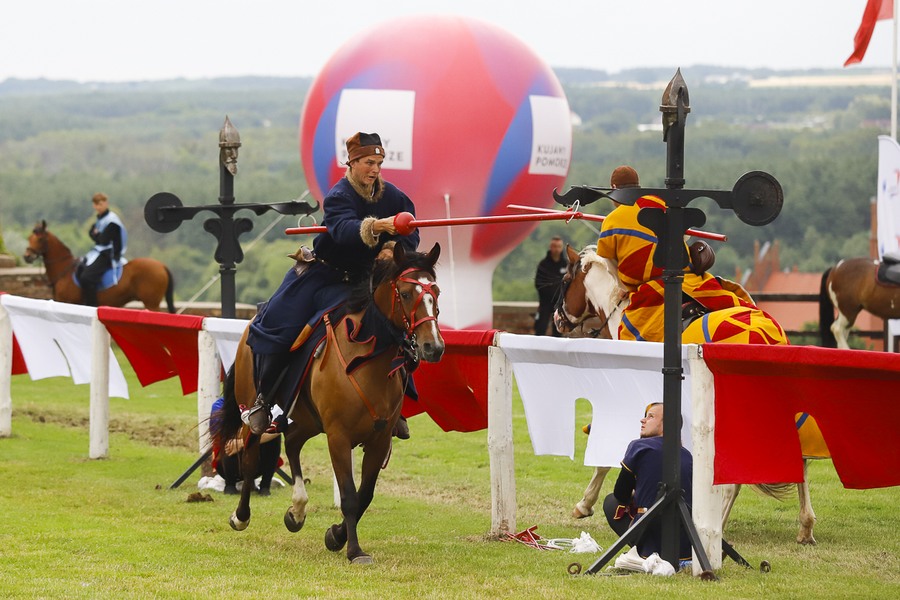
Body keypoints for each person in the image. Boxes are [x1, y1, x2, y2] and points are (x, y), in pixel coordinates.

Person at [244, 132, 420, 436]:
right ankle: (265, 400)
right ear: (352, 162)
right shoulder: (339, 195)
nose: (375, 169)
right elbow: (342, 230)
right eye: (368, 162)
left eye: (378, 163)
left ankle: (396, 405)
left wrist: (393, 249)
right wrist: (378, 226)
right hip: (324, 276)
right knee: (281, 324)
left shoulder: (394, 196)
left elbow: (411, 231)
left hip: (366, 280)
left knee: (395, 325)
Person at [595, 165, 755, 342]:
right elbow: (684, 236)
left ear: (614, 188)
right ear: (637, 185)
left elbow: (610, 266)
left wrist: (624, 289)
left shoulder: (611, 220)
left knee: (632, 334)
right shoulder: (660, 202)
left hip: (652, 290)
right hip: (690, 280)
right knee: (732, 300)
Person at [602, 402, 693, 563]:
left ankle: (641, 551)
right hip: (685, 542)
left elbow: (621, 493)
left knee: (611, 502)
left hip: (651, 534)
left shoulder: (639, 446)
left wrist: (635, 495)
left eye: (650, 416)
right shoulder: (687, 455)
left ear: (667, 424)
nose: (642, 420)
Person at [210, 397, 283, 495]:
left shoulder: (264, 404)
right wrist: (259, 430)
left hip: (257, 464)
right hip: (228, 464)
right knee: (230, 440)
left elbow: (278, 429)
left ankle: (265, 487)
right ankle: (230, 485)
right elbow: (227, 432)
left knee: (274, 435)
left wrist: (242, 442)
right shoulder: (220, 405)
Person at [77, 192, 127, 307]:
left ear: (106, 203)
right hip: (99, 251)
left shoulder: (112, 221)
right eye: (96, 205)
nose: (98, 207)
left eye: (100, 204)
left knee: (87, 277)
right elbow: (92, 234)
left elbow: (103, 240)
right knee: (80, 268)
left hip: (109, 253)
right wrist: (97, 235)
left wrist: (96, 234)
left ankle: (92, 306)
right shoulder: (100, 218)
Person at [534, 236, 567, 336]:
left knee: (558, 331)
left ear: (562, 248)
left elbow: (569, 283)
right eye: (554, 246)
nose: (556, 249)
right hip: (545, 303)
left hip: (560, 304)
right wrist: (551, 293)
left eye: (559, 246)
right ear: (550, 247)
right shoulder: (543, 264)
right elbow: (538, 283)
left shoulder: (566, 264)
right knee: (541, 328)